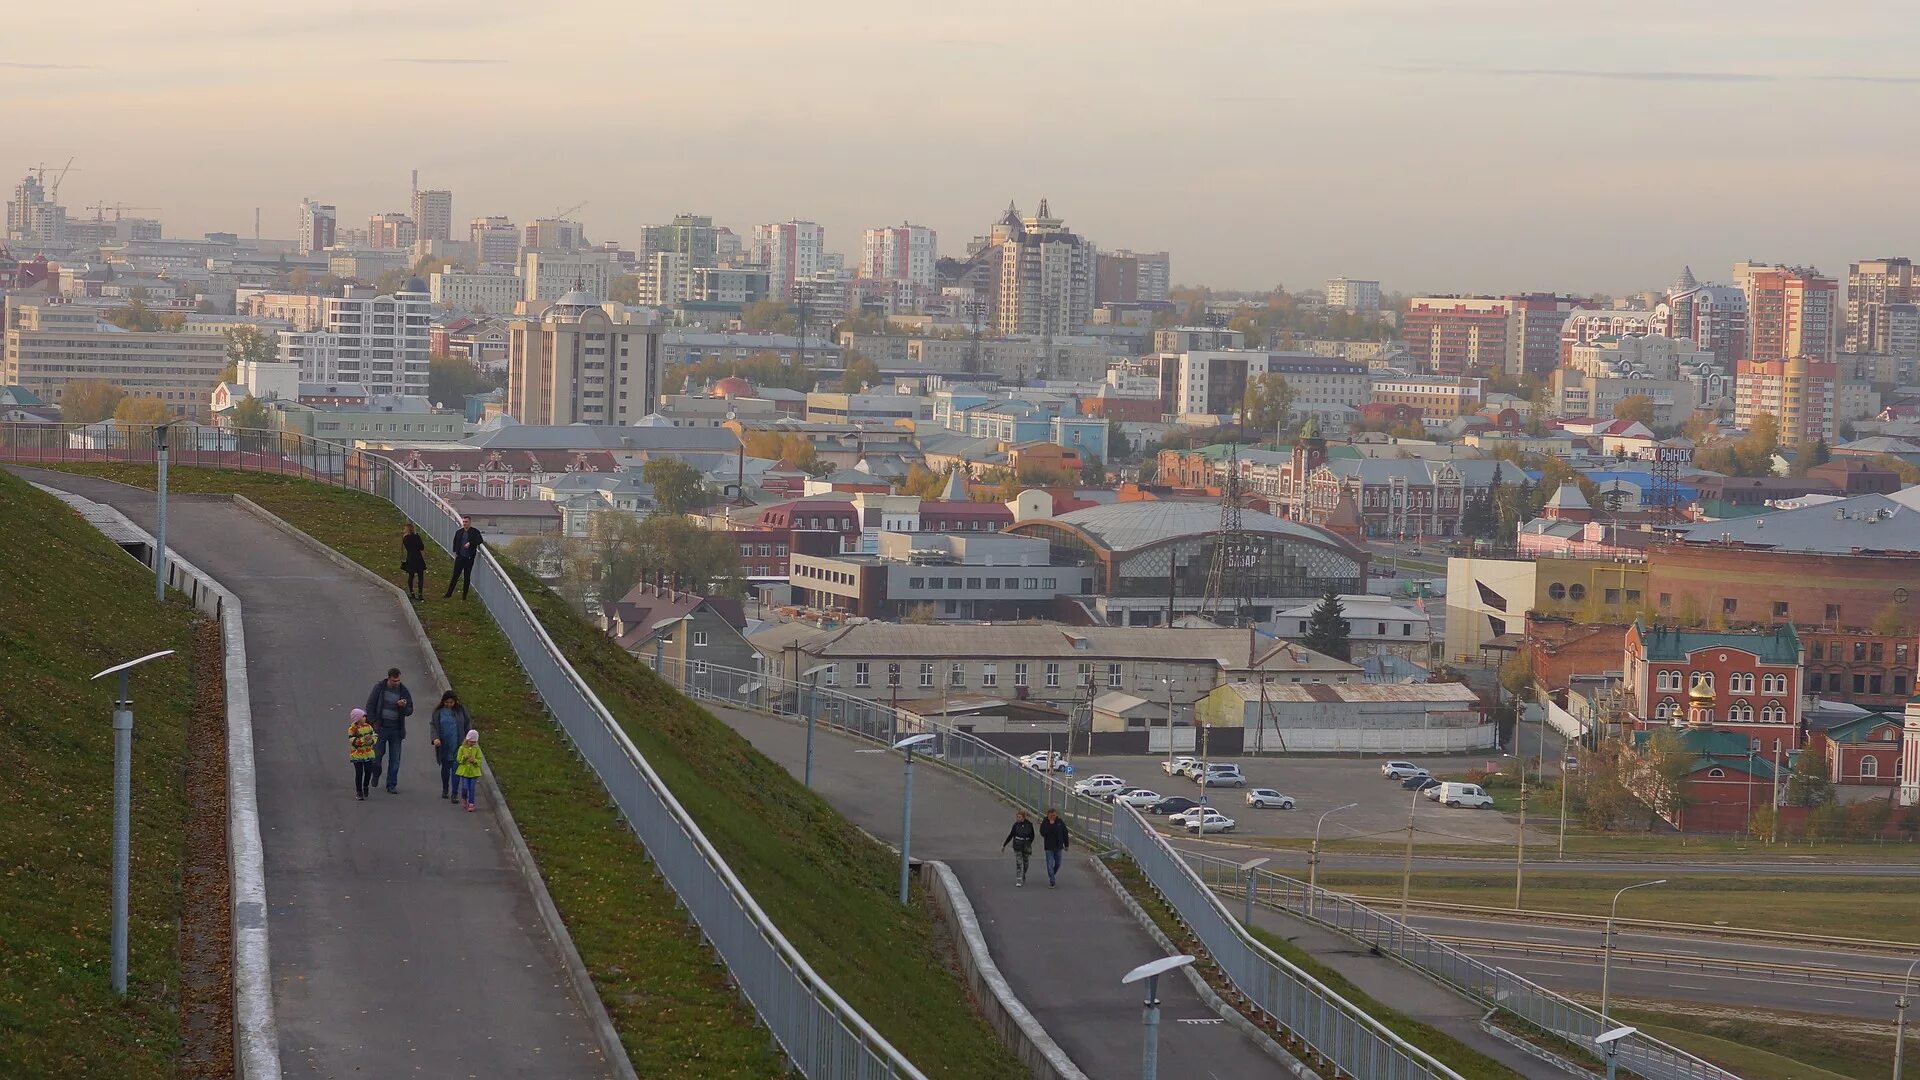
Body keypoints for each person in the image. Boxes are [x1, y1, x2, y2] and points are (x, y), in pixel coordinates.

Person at [363, 667, 414, 793]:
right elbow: (370, 705)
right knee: (376, 757)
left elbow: (410, 710)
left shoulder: (403, 691)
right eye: (394, 681)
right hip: (380, 728)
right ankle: (376, 773)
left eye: (398, 681)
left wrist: (403, 706)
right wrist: (373, 722)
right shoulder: (380, 688)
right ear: (388, 678)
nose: (396, 683)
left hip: (396, 730)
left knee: (395, 759)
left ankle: (391, 785)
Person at [430, 690, 471, 801]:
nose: (449, 704)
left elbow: (467, 724)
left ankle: (454, 793)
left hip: (458, 744)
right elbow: (433, 725)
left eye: (451, 702)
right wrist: (435, 738)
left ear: (455, 702)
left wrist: (468, 739)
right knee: (445, 768)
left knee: (456, 769)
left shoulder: (460, 710)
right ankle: (445, 789)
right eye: (447, 702)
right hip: (444, 744)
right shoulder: (438, 712)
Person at [444, 516, 485, 599]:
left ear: (470, 522)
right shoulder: (459, 532)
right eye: (463, 522)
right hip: (460, 557)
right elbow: (455, 542)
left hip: (469, 558)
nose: (464, 523)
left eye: (466, 522)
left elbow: (480, 540)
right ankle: (449, 594)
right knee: (455, 576)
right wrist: (456, 552)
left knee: (467, 577)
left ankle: (464, 596)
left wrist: (470, 543)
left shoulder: (474, 532)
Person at [347, 708, 378, 800]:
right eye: (363, 716)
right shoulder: (352, 729)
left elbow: (374, 736)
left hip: (368, 754)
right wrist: (364, 740)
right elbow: (353, 741)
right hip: (357, 755)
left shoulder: (368, 727)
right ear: (358, 718)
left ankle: (366, 786)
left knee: (368, 771)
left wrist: (372, 741)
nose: (365, 718)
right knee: (359, 773)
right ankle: (359, 791)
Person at [1001, 810, 1036, 887]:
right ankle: (1019, 879)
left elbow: (1032, 835)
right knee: (1019, 862)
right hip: (1017, 845)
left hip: (1026, 845)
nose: (1017, 818)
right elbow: (1011, 835)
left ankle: (1024, 873)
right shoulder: (1015, 825)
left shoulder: (1029, 825)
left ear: (1023, 817)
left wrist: (1029, 843)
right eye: (1017, 817)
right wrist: (1004, 845)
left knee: (1026, 863)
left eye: (1019, 817)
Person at [1039, 807, 1069, 888]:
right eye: (1051, 816)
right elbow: (1042, 832)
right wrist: (1050, 825)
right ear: (1048, 815)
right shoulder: (1045, 822)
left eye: (1054, 815)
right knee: (1049, 864)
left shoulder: (1060, 822)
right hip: (1049, 847)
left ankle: (1052, 873)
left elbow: (1065, 833)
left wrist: (1066, 845)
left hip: (1058, 847)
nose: (1053, 817)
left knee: (1058, 863)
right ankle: (1052, 881)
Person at [454, 730, 484, 811]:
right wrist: (464, 757)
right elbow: (459, 760)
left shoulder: (476, 749)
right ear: (467, 740)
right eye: (471, 742)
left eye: (475, 742)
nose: (473, 744)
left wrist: (475, 761)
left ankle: (471, 803)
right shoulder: (462, 748)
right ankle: (464, 798)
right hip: (465, 772)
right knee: (465, 787)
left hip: (474, 772)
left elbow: (480, 760)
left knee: (472, 788)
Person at [401, 523, 428, 601]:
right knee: (420, 576)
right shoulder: (417, 537)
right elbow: (421, 547)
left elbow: (406, 547)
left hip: (410, 558)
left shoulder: (405, 538)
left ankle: (412, 593)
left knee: (411, 576)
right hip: (418, 558)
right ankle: (420, 594)